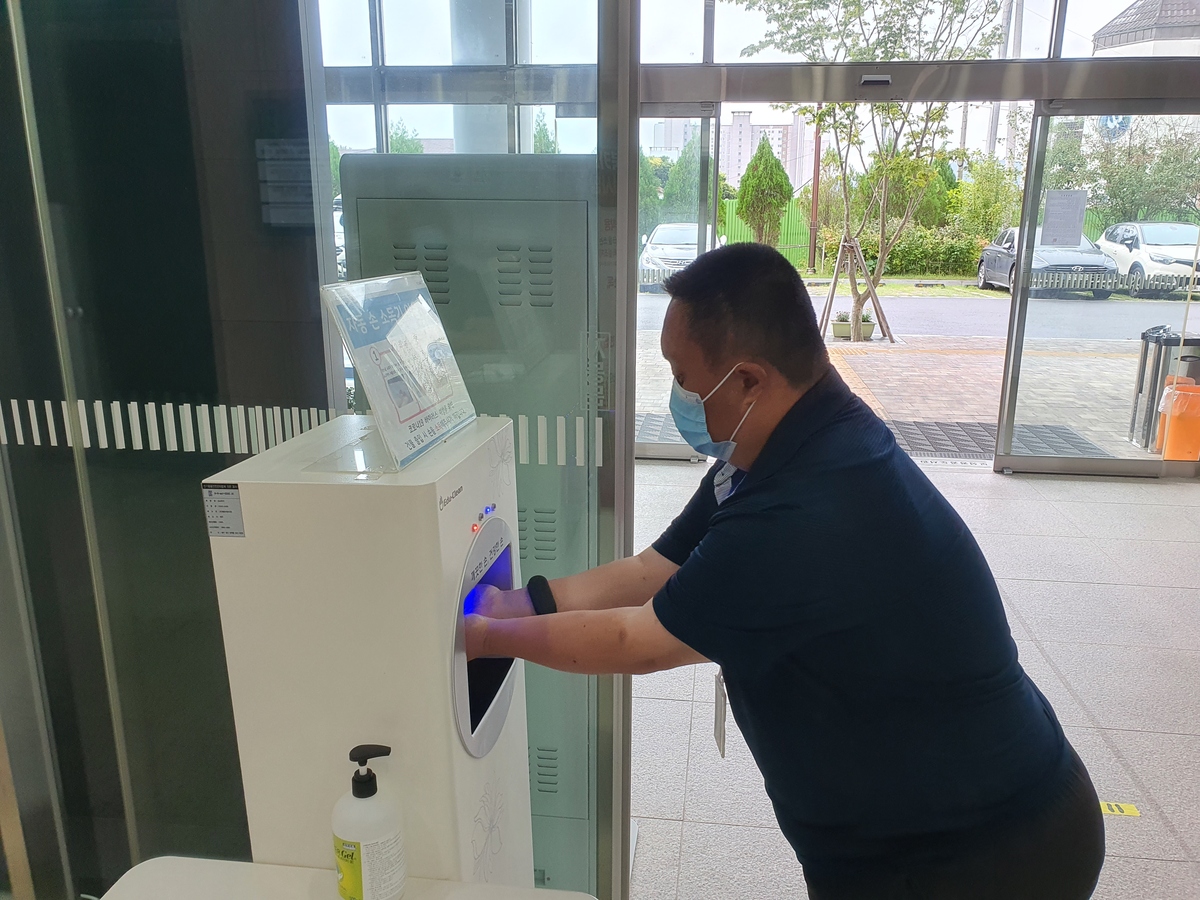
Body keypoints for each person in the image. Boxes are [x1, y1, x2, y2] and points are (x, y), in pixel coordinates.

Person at [464, 243, 1105, 899]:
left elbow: (638, 641)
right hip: (935, 824)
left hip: (984, 852)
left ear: (748, 380)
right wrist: (516, 605)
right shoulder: (778, 449)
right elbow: (654, 567)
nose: (678, 397)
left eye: (683, 378)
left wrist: (484, 638)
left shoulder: (810, 504)